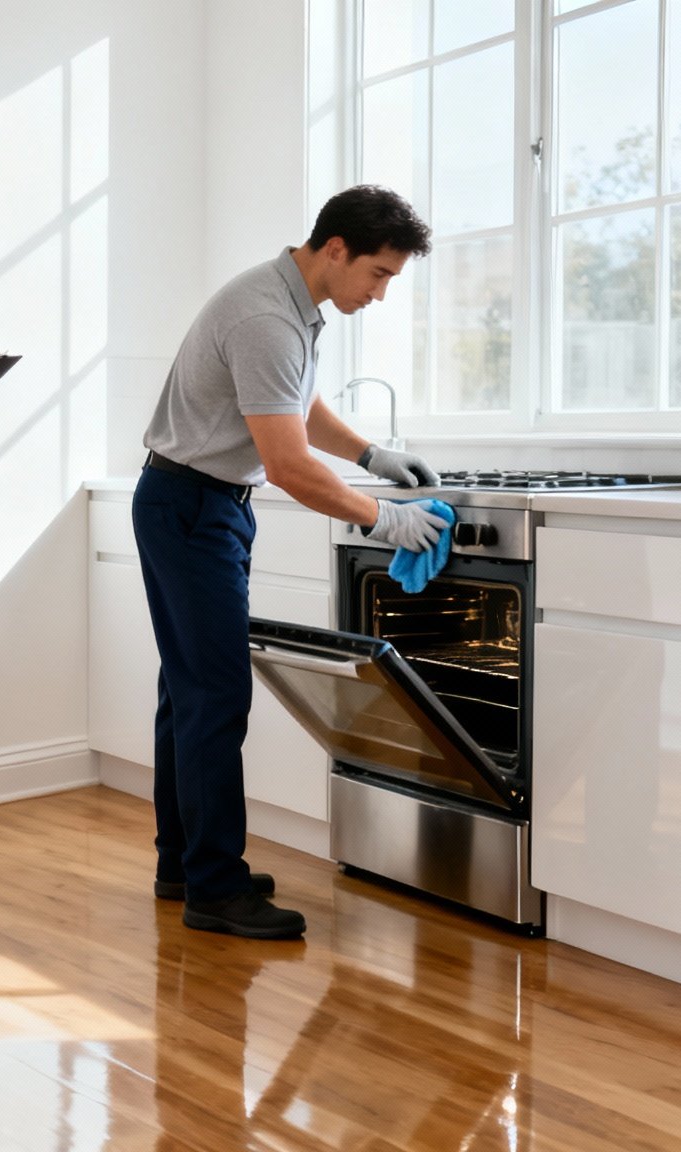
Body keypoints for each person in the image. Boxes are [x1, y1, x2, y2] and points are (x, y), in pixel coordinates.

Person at [135, 184, 449, 938]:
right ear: (335, 249)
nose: (379, 294)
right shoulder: (267, 316)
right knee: (214, 698)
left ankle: (184, 864)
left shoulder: (290, 303)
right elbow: (285, 463)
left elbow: (295, 407)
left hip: (202, 506)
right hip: (192, 508)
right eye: (378, 274)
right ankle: (216, 887)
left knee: (188, 696)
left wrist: (371, 452)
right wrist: (383, 517)